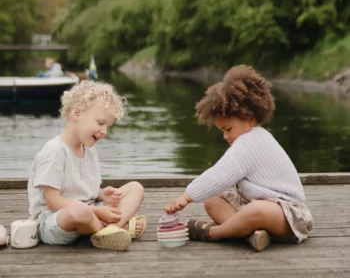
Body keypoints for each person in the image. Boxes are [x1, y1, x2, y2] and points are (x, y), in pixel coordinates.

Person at [164, 65, 314, 252]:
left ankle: (214, 233)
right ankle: (252, 235)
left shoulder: (250, 143)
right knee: (212, 201)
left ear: (250, 119)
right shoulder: (249, 138)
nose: (226, 136)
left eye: (228, 129)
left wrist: (187, 196)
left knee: (257, 210)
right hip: (256, 211)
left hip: (288, 217)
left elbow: (218, 175)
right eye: (222, 131)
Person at [28, 80, 147, 251]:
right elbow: (53, 201)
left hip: (89, 210)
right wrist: (97, 212)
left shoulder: (88, 148)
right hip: (55, 219)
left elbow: (79, 187)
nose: (104, 131)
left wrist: (101, 194)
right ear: (76, 113)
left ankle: (111, 229)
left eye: (108, 126)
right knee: (79, 210)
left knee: (136, 188)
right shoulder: (54, 151)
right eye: (100, 123)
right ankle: (112, 228)